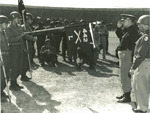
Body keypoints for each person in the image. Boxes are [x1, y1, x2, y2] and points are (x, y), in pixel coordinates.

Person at [116, 14, 141, 103]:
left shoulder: (134, 31)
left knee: (125, 76)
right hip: (124, 56)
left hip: (127, 56)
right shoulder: (129, 30)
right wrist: (119, 28)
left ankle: (127, 96)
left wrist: (132, 58)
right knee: (123, 75)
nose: (122, 22)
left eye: (124, 20)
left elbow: (136, 46)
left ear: (130, 21)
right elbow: (120, 36)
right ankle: (125, 93)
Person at [129, 15, 150, 113]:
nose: (138, 26)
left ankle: (142, 109)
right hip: (146, 63)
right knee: (143, 86)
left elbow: (141, 54)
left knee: (141, 87)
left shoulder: (146, 37)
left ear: (146, 26)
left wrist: (133, 67)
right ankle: (142, 107)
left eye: (140, 24)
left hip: (143, 63)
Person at [5, 11, 25, 90]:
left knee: (19, 67)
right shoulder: (8, 28)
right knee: (14, 66)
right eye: (17, 18)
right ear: (13, 18)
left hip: (20, 48)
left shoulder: (19, 27)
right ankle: (12, 84)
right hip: (13, 49)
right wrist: (20, 36)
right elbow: (9, 40)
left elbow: (23, 36)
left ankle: (15, 82)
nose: (19, 20)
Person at [21, 13, 37, 81]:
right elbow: (25, 36)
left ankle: (24, 74)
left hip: (30, 45)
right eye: (31, 19)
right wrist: (32, 38)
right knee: (26, 61)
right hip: (25, 45)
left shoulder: (29, 26)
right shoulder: (24, 26)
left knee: (29, 60)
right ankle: (23, 75)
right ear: (27, 19)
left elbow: (31, 34)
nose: (32, 21)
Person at [0, 15, 10, 102]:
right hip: (1, 57)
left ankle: (1, 91)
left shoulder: (4, 32)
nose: (7, 25)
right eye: (6, 23)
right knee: (1, 76)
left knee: (7, 75)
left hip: (6, 56)